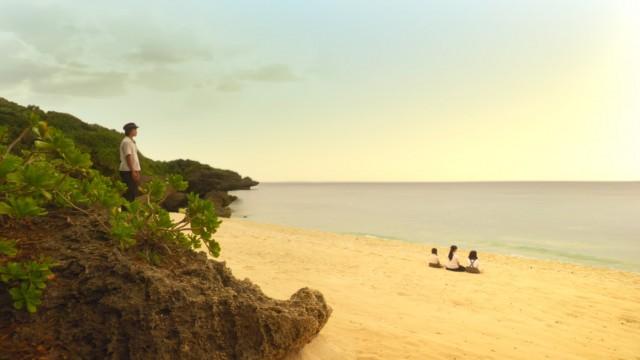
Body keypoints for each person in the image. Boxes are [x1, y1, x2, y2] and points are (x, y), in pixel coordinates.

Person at [119, 122, 141, 202]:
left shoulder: (131, 141)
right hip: (128, 170)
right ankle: (125, 213)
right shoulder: (127, 142)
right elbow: (128, 156)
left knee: (133, 192)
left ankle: (129, 213)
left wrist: (136, 170)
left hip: (132, 170)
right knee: (129, 193)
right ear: (130, 131)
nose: (136, 131)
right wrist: (133, 171)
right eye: (135, 129)